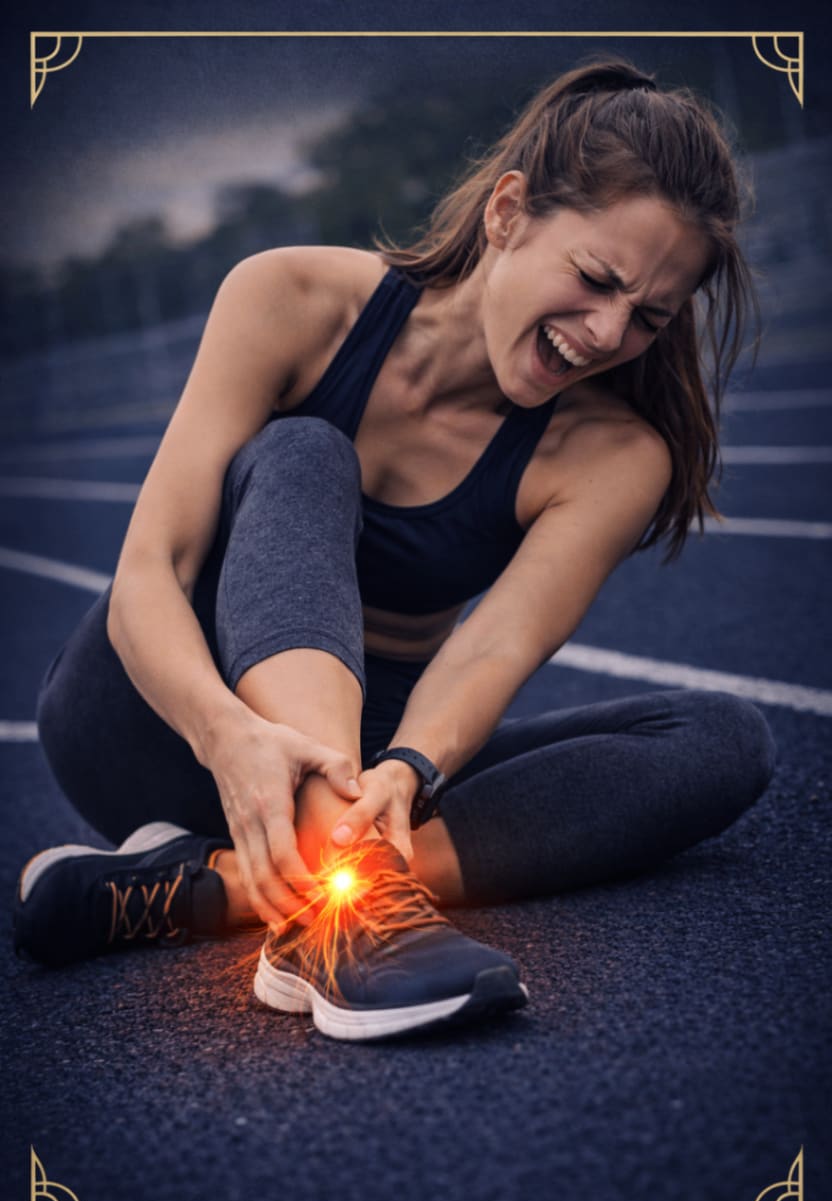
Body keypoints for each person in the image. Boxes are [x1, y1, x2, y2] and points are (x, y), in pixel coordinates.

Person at [13, 58, 776, 1041]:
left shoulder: (614, 456)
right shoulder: (288, 296)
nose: (605, 332)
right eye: (594, 280)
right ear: (508, 213)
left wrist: (408, 765)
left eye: (649, 317)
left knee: (720, 739)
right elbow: (146, 576)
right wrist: (228, 734)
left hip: (370, 764)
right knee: (302, 448)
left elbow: (495, 647)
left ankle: (242, 887)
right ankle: (347, 924)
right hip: (157, 719)